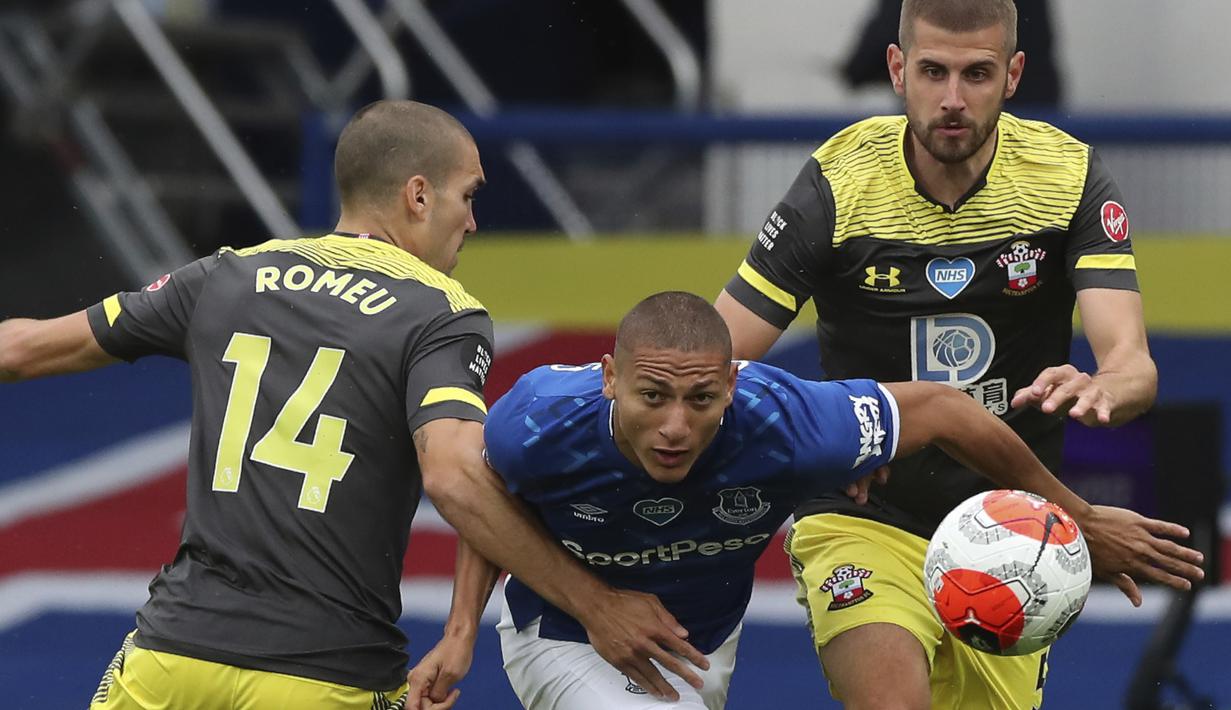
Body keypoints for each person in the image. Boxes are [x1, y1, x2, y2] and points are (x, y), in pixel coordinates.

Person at [0, 100, 707, 709]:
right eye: (469, 195)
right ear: (418, 196)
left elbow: (25, 348)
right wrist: (595, 607)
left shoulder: (225, 275)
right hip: (326, 672)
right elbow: (458, 476)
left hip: (172, 658)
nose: (473, 221)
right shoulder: (441, 314)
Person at [404, 291, 1202, 709]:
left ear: (732, 388)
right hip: (566, 627)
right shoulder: (539, 421)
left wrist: (1079, 518)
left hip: (693, 644)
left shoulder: (786, 420)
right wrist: (468, 630)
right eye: (650, 397)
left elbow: (950, 411)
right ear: (609, 379)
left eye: (702, 402)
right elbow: (484, 493)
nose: (675, 426)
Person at [713, 0, 1182, 707]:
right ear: (898, 69)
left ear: (1014, 75)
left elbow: (1131, 365)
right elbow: (713, 363)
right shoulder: (837, 184)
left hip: (1012, 527)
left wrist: (1101, 387)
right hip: (860, 513)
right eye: (932, 71)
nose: (952, 99)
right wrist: (816, 440)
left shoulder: (1068, 178)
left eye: (976, 74)